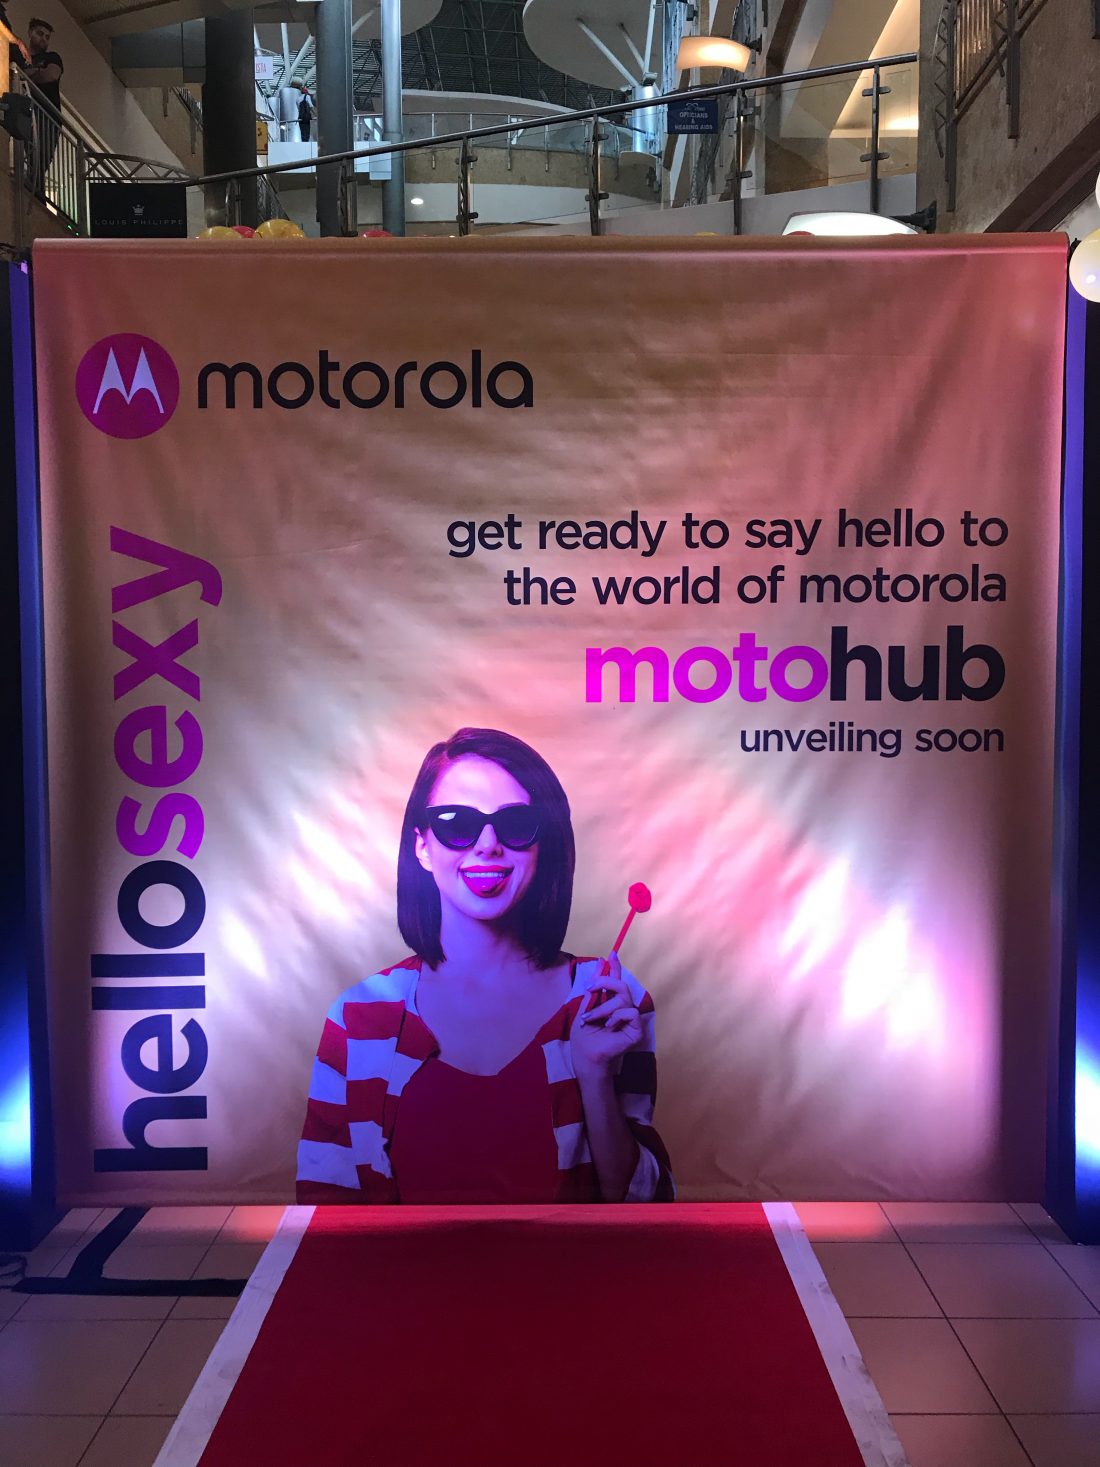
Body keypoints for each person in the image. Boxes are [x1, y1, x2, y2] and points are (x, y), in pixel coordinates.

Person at [297, 727, 673, 1205]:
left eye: (516, 823)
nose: (488, 845)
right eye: (457, 823)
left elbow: (645, 1207)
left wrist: (594, 1076)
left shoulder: (605, 999)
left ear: (543, 845)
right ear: (422, 846)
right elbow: (324, 1212)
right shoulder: (358, 1018)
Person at [20, 18, 63, 197]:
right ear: (30, 33)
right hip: (26, 112)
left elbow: (51, 76)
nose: (44, 39)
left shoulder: (52, 57)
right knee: (31, 157)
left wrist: (26, 75)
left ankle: (35, 195)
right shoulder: (21, 58)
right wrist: (37, 73)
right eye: (40, 34)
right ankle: (36, 195)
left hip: (49, 116)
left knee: (41, 158)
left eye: (47, 36)